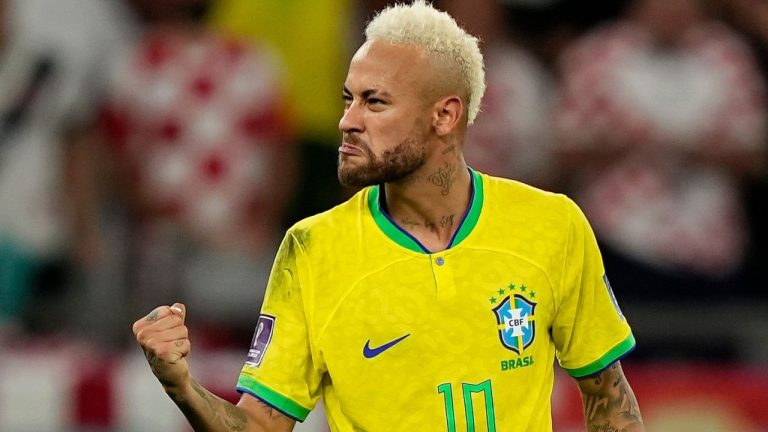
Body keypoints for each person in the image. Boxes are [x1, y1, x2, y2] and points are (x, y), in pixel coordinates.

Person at [132, 1, 645, 431]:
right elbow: (261, 426)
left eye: (374, 103)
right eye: (348, 100)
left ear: (444, 115)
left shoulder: (551, 225)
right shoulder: (313, 247)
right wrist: (183, 384)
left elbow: (608, 396)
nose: (348, 122)